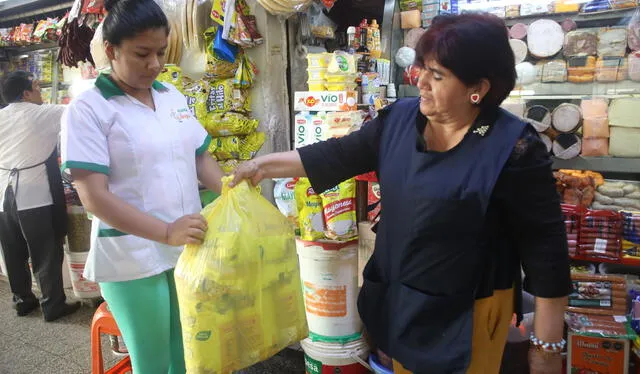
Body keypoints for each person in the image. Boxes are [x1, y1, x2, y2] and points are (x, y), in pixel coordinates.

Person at [232, 13, 570, 374]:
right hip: (399, 301)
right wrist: (261, 167)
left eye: (437, 75)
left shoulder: (513, 148)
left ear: (479, 88)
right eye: (422, 67)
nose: (420, 81)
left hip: (468, 315)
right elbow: (336, 154)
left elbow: (545, 250)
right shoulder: (399, 120)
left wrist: (546, 348)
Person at [60, 0, 224, 372]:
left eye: (161, 52)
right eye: (142, 53)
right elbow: (94, 196)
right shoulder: (89, 108)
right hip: (131, 256)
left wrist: (233, 193)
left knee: (186, 355)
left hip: (185, 248)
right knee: (153, 362)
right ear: (111, 50)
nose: (154, 64)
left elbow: (199, 157)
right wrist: (165, 231)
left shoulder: (171, 97)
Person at [0, 71, 80, 321]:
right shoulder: (42, 113)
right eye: (36, 87)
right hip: (32, 194)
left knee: (13, 251)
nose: (40, 92)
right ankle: (53, 305)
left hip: (2, 192)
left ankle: (23, 301)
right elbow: (80, 111)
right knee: (45, 250)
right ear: (25, 94)